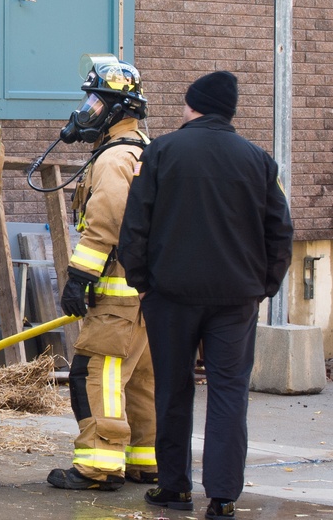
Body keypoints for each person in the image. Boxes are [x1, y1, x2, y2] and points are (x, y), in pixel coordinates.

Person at [118, 70, 293, 519]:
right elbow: (281, 232)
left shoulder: (160, 152)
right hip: (237, 299)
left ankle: (174, 487)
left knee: (173, 390)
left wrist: (142, 284)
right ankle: (223, 496)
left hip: (171, 296)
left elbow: (135, 226)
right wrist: (263, 286)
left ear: (192, 106)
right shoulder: (258, 160)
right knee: (230, 393)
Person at [45, 55, 158, 492]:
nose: (87, 111)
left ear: (118, 109)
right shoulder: (146, 151)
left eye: (96, 102)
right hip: (144, 297)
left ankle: (99, 465)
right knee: (141, 379)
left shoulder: (114, 159)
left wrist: (79, 277)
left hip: (115, 297)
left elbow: (107, 220)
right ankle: (145, 461)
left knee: (98, 373)